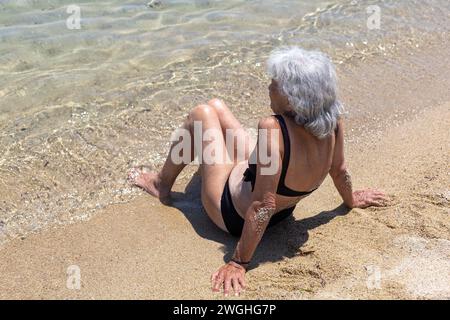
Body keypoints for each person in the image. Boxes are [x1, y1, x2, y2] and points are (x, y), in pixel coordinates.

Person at [128, 46, 388, 297]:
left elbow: (263, 203)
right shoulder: (332, 121)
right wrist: (350, 200)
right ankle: (201, 165)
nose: (269, 87)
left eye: (274, 84)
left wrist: (239, 262)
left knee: (202, 113)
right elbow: (339, 170)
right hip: (281, 214)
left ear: (291, 97)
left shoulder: (272, 129)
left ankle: (161, 185)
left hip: (232, 214)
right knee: (217, 106)